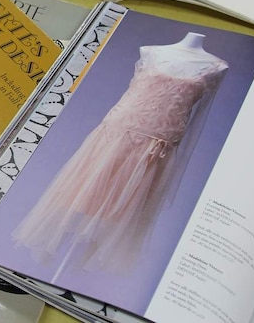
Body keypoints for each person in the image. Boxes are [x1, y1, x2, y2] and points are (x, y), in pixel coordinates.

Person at [12, 32, 228, 275]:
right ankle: (53, 269)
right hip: (117, 134)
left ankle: (71, 274)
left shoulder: (215, 67)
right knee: (85, 194)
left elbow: (198, 119)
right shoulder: (151, 51)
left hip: (156, 146)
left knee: (121, 210)